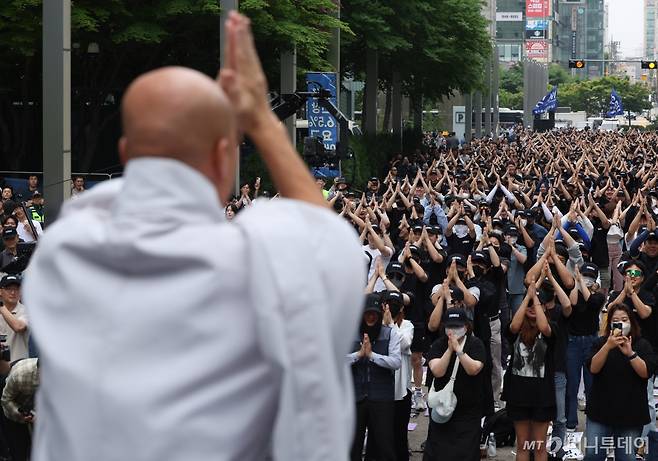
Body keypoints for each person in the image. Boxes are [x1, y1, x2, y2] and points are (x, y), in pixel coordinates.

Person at [23, 13, 364, 461]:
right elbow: (328, 237)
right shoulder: (257, 259)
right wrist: (260, 119)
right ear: (225, 158)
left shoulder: (62, 256)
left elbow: (105, 201)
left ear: (126, 154)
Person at [584, 304, 656, 461]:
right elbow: (593, 368)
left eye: (624, 319)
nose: (621, 323)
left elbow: (645, 372)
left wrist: (630, 353)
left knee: (626, 457)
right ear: (609, 323)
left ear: (631, 321)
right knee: (593, 455)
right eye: (616, 320)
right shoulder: (600, 343)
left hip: (631, 415)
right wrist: (608, 346)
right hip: (600, 412)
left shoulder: (642, 344)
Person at [502, 288, 557, 461]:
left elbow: (544, 327)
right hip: (518, 394)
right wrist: (527, 299)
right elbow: (513, 327)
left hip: (543, 396)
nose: (533, 307)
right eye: (530, 305)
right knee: (523, 445)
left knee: (540, 447)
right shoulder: (517, 329)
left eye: (538, 304)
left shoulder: (551, 328)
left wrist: (536, 300)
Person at [423, 308, 486, 461]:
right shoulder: (439, 344)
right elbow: (437, 371)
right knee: (438, 452)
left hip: (468, 412)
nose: (453, 330)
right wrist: (449, 350)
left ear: (466, 326)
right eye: (450, 326)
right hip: (442, 409)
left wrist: (459, 350)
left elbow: (474, 369)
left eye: (457, 326)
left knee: (465, 453)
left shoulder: (475, 344)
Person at [348, 295, 401, 461]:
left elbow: (396, 362)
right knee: (353, 446)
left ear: (379, 314)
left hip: (381, 398)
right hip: (355, 397)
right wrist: (358, 355)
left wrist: (372, 355)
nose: (370, 317)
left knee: (384, 446)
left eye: (374, 313)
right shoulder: (350, 334)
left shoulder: (390, 333)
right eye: (367, 313)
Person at [1, 358, 38, 461]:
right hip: (14, 411)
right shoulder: (20, 375)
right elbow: (6, 400)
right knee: (19, 448)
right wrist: (20, 414)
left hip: (36, 413)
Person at [0, 274, 28, 364]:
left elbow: (18, 327)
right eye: (8, 289)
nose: (13, 292)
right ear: (0, 291)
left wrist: (1, 306)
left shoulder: (27, 311)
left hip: (20, 368)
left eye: (16, 289)